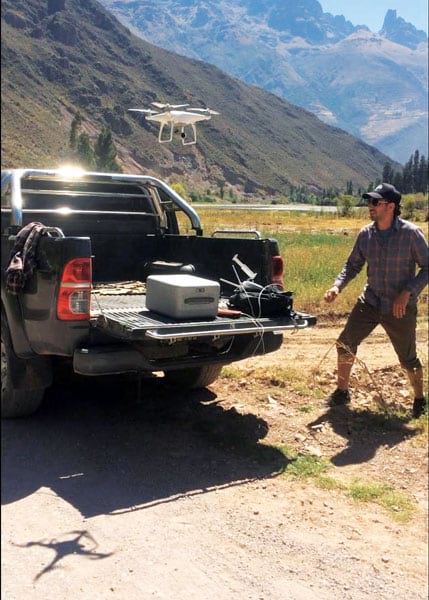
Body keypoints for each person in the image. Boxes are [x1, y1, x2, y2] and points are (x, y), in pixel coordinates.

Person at [324, 182, 428, 418]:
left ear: (390, 206)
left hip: (399, 307)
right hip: (369, 302)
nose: (369, 206)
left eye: (375, 202)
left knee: (408, 358)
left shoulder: (410, 234)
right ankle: (342, 391)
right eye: (369, 202)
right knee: (344, 344)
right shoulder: (365, 234)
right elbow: (352, 265)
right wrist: (337, 286)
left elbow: (427, 267)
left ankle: (420, 399)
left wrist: (408, 292)